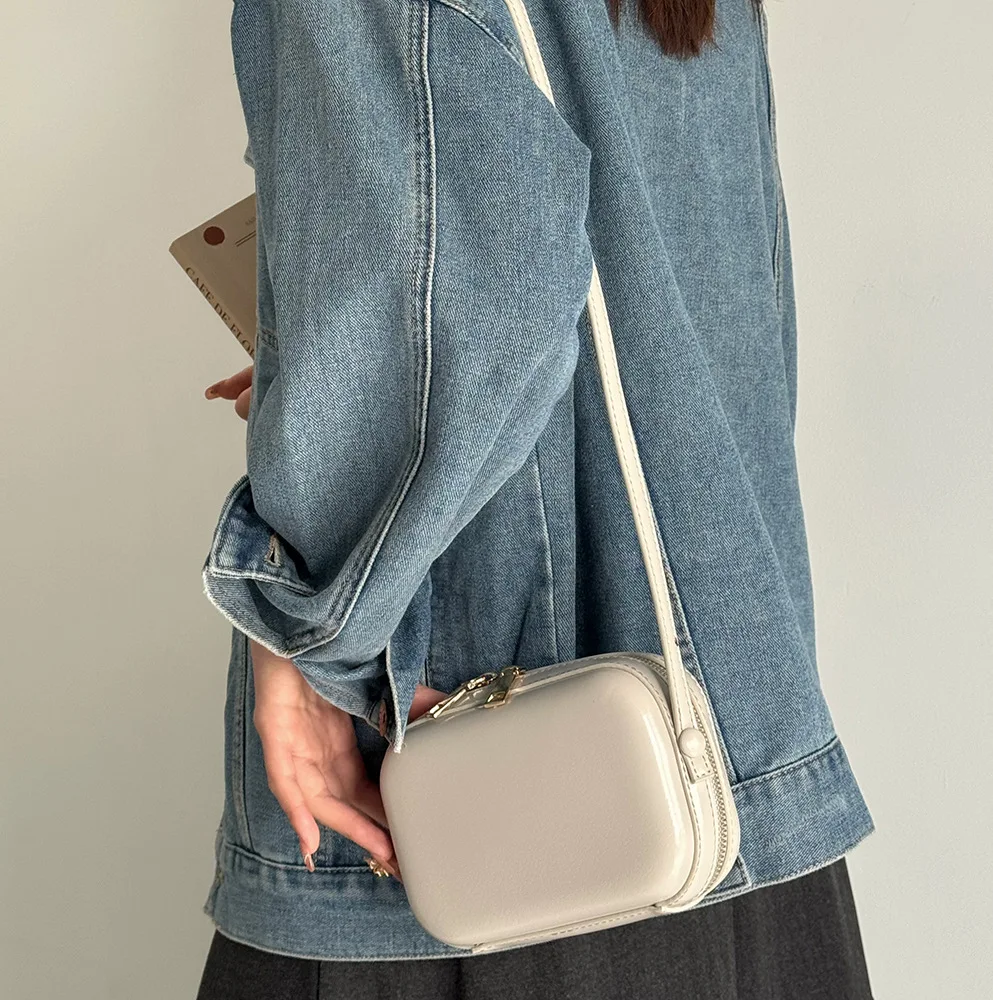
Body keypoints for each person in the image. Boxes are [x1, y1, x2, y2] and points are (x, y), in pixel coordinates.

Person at [195, 0, 876, 995]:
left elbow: (479, 309)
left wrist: (308, 638)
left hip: (481, 768)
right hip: (712, 751)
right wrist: (356, 376)